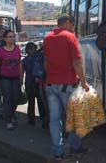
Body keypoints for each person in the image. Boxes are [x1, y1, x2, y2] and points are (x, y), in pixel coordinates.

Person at [43, 14, 90, 160]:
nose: (73, 28)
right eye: (73, 25)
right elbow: (77, 62)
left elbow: (45, 62)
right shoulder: (70, 37)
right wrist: (83, 82)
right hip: (67, 85)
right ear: (68, 23)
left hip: (51, 84)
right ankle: (75, 146)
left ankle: (58, 152)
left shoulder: (47, 38)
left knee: (55, 120)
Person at [0, 30, 22, 130]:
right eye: (9, 37)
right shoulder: (0, 50)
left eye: (13, 36)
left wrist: (21, 77)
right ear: (5, 39)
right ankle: (8, 120)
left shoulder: (17, 49)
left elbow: (19, 64)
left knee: (15, 98)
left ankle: (11, 114)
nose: (12, 39)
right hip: (4, 78)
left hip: (16, 77)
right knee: (7, 98)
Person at [22, 42, 47, 128]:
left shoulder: (24, 61)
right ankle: (44, 121)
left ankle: (31, 120)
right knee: (41, 103)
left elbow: (21, 73)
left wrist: (20, 83)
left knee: (31, 102)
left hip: (29, 82)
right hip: (39, 82)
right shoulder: (40, 57)